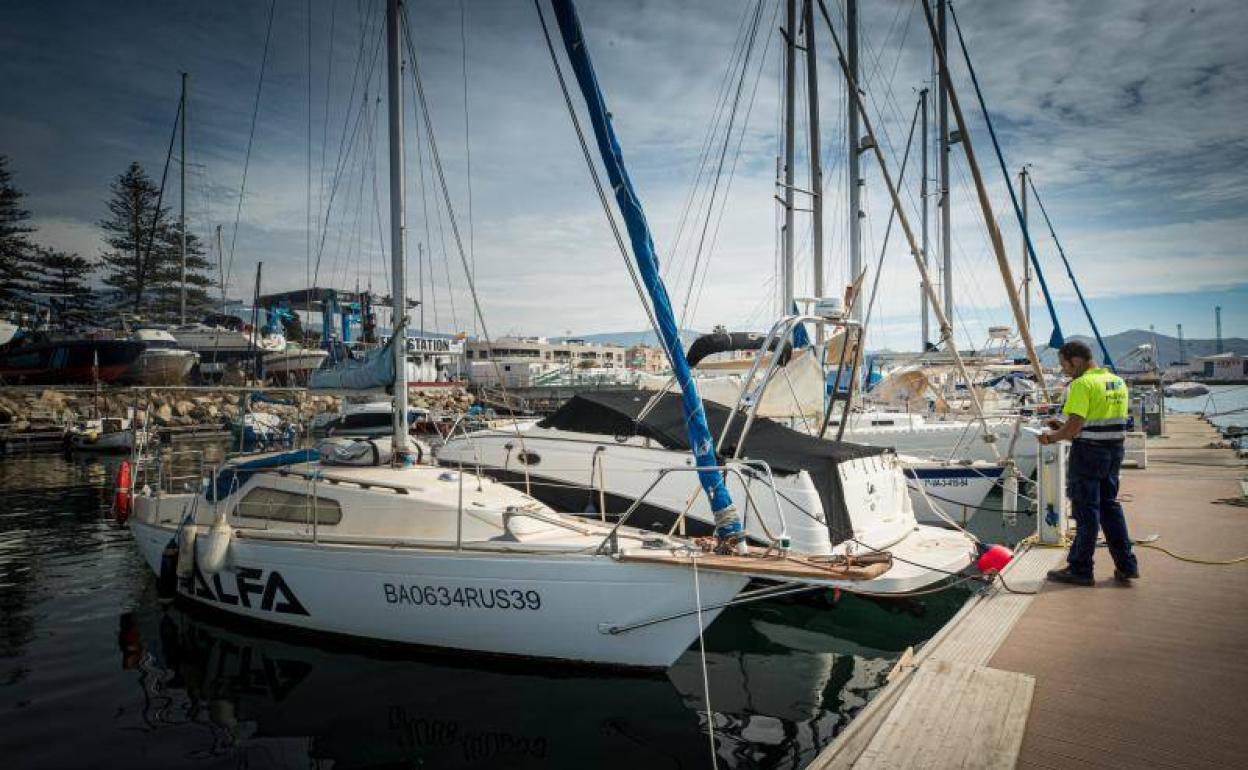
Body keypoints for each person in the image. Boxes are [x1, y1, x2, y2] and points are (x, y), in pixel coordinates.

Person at [1040, 341, 1139, 586]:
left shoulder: (1082, 384)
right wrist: (1062, 426)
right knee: (1109, 507)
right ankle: (1127, 565)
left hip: (1088, 455)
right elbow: (1098, 419)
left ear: (1075, 360)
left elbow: (1074, 428)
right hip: (1114, 451)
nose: (1064, 370)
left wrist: (1050, 437)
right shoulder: (1117, 381)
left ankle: (1081, 568)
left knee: (1086, 512)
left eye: (1064, 364)